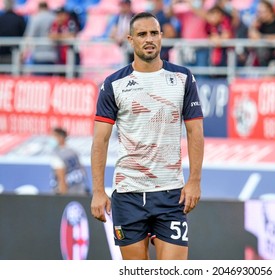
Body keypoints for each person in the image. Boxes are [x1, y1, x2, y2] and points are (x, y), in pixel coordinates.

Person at [90, 12, 204, 260]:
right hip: (128, 193)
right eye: (142, 34)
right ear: (131, 40)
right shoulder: (113, 84)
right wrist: (98, 190)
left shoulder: (183, 78)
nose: (149, 39)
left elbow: (195, 132)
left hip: (171, 193)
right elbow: (100, 141)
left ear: (161, 37)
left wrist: (194, 180)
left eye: (154, 33)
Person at [49, 127, 89, 196]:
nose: (51, 139)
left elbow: (61, 179)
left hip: (68, 193)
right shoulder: (73, 152)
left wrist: (63, 198)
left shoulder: (57, 155)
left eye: (54, 136)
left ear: (61, 137)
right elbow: (83, 171)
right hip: (80, 190)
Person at [23, 1, 57, 76]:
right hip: (52, 53)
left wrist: (24, 52)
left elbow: (30, 36)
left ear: (39, 8)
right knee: (50, 81)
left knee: (40, 81)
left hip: (39, 54)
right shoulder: (54, 17)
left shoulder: (35, 18)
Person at [0, 0, 26, 65]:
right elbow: (24, 34)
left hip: (5, 52)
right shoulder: (19, 19)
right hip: (14, 52)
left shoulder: (1, 19)